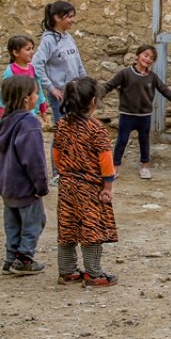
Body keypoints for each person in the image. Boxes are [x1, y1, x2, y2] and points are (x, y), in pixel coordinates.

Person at [52, 77, 119, 288]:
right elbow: (106, 161)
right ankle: (93, 273)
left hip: (67, 185)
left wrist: (64, 172)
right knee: (91, 230)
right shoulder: (96, 129)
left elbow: (56, 154)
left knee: (67, 227)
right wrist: (107, 187)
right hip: (90, 187)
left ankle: (67, 271)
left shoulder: (61, 125)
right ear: (93, 101)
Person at [0, 75, 49, 275]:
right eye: (35, 93)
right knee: (34, 222)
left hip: (6, 185)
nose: (38, 96)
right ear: (26, 98)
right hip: (25, 186)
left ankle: (10, 258)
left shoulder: (4, 122)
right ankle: (24, 259)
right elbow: (34, 159)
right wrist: (41, 186)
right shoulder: (29, 123)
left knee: (12, 223)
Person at [101, 45, 171, 179]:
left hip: (144, 116)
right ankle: (115, 167)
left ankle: (144, 167)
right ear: (137, 56)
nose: (148, 59)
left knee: (144, 141)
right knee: (122, 141)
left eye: (152, 58)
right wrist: (95, 96)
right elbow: (109, 86)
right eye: (146, 55)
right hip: (127, 115)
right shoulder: (125, 73)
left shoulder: (152, 77)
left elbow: (164, 90)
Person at [32, 0, 87, 181]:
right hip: (60, 95)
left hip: (74, 93)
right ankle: (57, 172)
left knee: (76, 131)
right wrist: (51, 88)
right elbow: (37, 65)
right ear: (57, 17)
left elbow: (77, 61)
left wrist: (84, 82)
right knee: (62, 133)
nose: (72, 20)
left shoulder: (67, 37)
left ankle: (72, 167)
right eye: (69, 17)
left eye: (73, 16)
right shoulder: (48, 40)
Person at [0, 35, 50, 125]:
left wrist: (42, 107)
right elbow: (3, 94)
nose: (32, 52)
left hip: (30, 111)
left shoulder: (32, 69)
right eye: (28, 49)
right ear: (16, 53)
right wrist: (1, 115)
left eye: (32, 49)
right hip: (14, 114)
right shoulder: (10, 72)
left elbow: (38, 89)